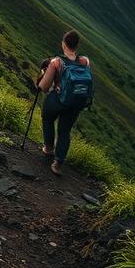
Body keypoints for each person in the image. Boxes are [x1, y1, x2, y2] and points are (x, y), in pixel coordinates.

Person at [36, 29, 91, 175]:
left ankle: (48, 149)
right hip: (76, 103)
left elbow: (44, 87)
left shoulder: (56, 62)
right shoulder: (85, 61)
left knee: (47, 118)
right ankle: (58, 164)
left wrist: (43, 72)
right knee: (64, 131)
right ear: (77, 45)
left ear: (63, 44)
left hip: (59, 101)